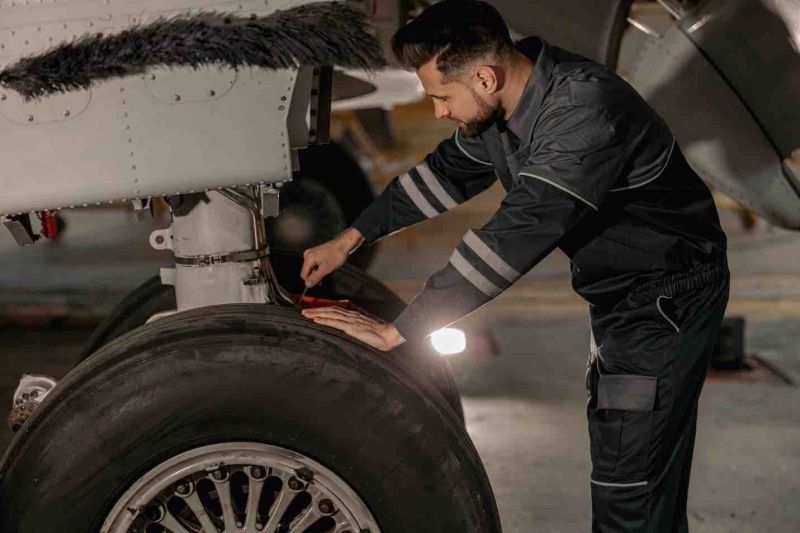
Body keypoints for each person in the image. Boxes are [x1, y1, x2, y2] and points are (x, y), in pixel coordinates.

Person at [300, 1, 729, 530]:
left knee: (629, 485)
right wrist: (348, 238)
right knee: (639, 472)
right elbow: (444, 175)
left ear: (483, 76)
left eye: (441, 97)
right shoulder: (510, 100)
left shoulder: (582, 114)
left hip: (664, 302)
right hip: (623, 295)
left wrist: (400, 329)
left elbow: (512, 238)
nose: (437, 112)